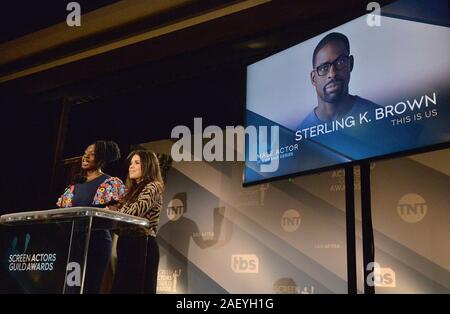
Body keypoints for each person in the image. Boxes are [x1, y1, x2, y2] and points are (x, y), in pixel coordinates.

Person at [57, 140, 126, 293]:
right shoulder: (75, 185)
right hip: (74, 243)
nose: (85, 156)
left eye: (92, 154)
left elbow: (113, 214)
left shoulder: (110, 183)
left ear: (102, 159)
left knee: (89, 287)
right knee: (70, 288)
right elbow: (61, 214)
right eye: (85, 152)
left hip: (96, 243)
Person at [109, 150, 164, 294]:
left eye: (137, 163)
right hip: (126, 243)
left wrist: (114, 212)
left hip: (143, 245)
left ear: (147, 165)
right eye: (131, 163)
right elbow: (118, 222)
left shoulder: (153, 187)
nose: (131, 167)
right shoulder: (130, 191)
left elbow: (134, 213)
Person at [299, 32, 379, 129]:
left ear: (351, 63)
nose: (332, 74)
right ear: (313, 78)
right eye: (324, 68)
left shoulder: (379, 117)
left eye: (340, 62)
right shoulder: (300, 135)